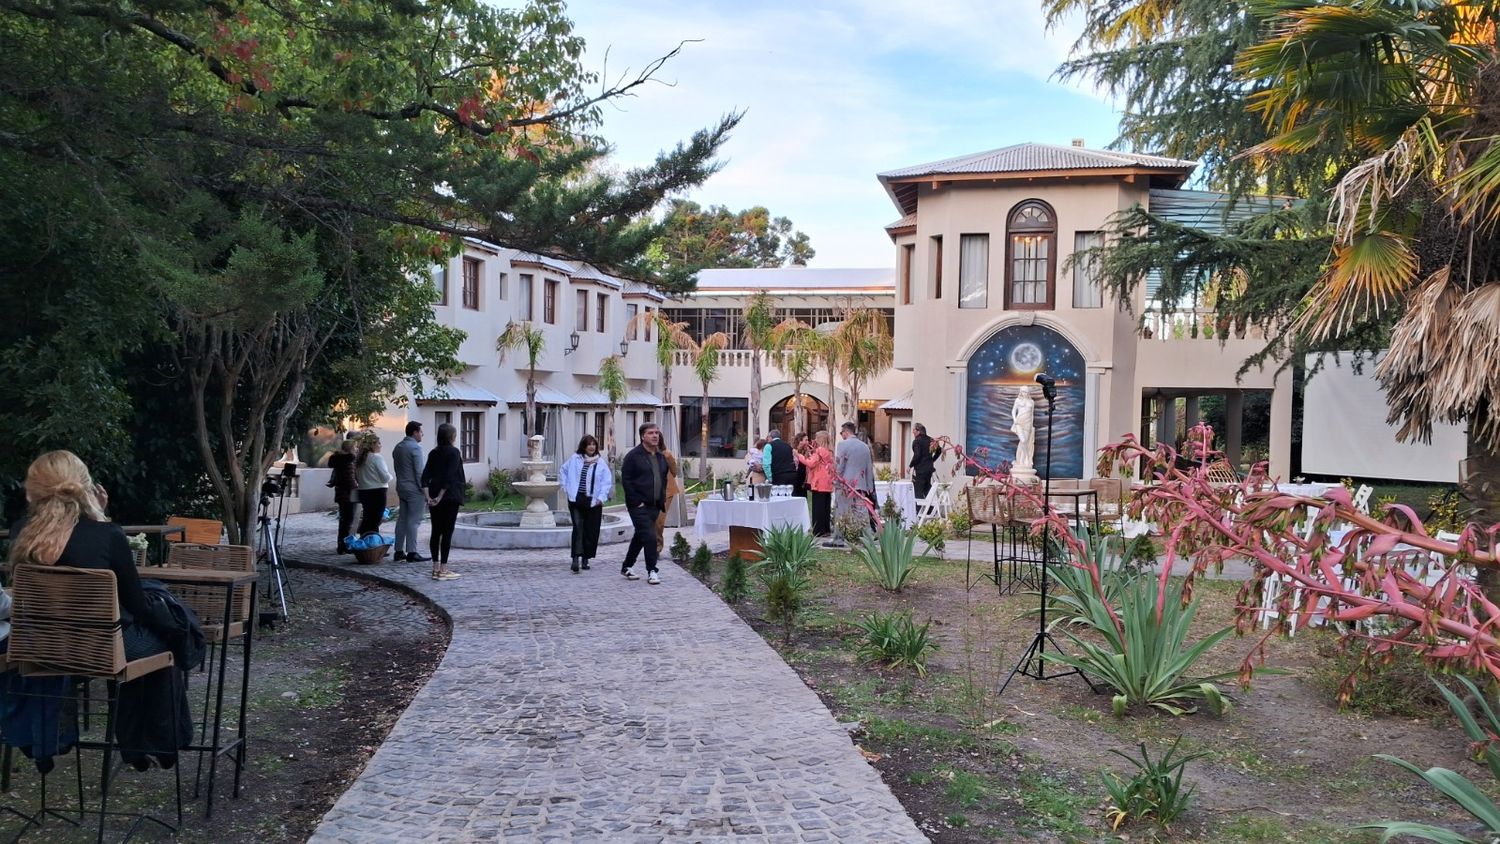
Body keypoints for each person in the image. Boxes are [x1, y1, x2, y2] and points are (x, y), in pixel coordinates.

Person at [8, 451, 193, 768]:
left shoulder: (20, 533)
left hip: (43, 649)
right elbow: (137, 605)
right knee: (166, 640)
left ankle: (64, 740)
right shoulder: (107, 535)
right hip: (100, 651)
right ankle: (154, 744)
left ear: (33, 489)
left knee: (140, 640)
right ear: (84, 487)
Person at [620, 422, 668, 585]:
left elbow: (663, 478)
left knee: (640, 536)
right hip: (638, 505)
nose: (655, 436)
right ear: (642, 436)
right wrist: (636, 502)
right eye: (651, 433)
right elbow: (626, 480)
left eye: (656, 433)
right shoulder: (633, 456)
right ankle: (652, 570)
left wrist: (661, 499)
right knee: (649, 536)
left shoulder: (661, 457)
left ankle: (627, 566)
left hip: (654, 505)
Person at [559, 434, 612, 574]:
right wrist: (565, 487)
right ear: (583, 446)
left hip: (593, 501)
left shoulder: (600, 463)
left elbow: (606, 482)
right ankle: (575, 558)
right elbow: (563, 471)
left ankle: (586, 558)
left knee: (591, 530)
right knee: (578, 527)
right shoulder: (575, 459)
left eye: (594, 444)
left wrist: (601, 497)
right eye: (589, 444)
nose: (592, 447)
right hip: (576, 500)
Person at [420, 423, 464, 580]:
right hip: (449, 497)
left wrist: (428, 497)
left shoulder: (433, 452)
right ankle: (444, 569)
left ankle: (435, 567)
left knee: (435, 531)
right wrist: (440, 496)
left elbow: (425, 476)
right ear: (452, 437)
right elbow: (450, 477)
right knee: (447, 532)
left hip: (433, 496)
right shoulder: (454, 452)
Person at [391, 421, 428, 563]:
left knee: (402, 519)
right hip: (414, 489)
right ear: (415, 432)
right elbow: (419, 472)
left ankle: (398, 550)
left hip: (401, 487)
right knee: (414, 521)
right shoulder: (415, 448)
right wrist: (424, 490)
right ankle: (412, 552)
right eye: (421, 432)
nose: (422, 434)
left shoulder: (398, 447)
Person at [834, 421, 876, 542]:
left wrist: (836, 481)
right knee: (861, 511)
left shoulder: (842, 445)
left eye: (842, 432)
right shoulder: (865, 446)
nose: (841, 435)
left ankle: (839, 538)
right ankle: (868, 537)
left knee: (841, 510)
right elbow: (869, 466)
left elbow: (840, 465)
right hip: (861, 484)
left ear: (846, 432)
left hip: (845, 484)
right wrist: (869, 485)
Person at [797, 430, 834, 536]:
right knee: (826, 507)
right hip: (827, 482)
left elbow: (810, 463)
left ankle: (818, 530)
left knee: (818, 507)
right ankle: (826, 529)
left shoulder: (819, 451)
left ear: (820, 439)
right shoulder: (829, 451)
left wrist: (799, 456)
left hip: (818, 482)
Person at [354, 433, 392, 537]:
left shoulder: (360, 459)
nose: (380, 445)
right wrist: (390, 477)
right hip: (377, 491)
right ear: (372, 445)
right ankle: (373, 546)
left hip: (363, 491)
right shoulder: (376, 458)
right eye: (378, 443)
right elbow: (385, 477)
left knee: (367, 517)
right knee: (375, 519)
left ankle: (365, 542)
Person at [326, 437, 358, 553]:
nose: (356, 449)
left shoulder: (338, 460)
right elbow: (350, 479)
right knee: (348, 521)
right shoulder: (349, 460)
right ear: (350, 448)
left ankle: (341, 544)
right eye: (355, 447)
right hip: (348, 495)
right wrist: (357, 487)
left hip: (340, 493)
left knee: (343, 521)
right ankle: (346, 545)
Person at [656, 448, 683, 553]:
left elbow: (674, 471)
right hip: (649, 491)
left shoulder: (666, 454)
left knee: (659, 520)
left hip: (666, 491)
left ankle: (657, 547)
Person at [908, 423, 940, 500]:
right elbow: (939, 450)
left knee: (918, 491)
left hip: (920, 470)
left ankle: (919, 510)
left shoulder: (917, 441)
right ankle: (930, 509)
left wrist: (910, 465)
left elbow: (917, 455)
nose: (913, 432)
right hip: (929, 469)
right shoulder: (931, 440)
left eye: (914, 430)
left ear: (919, 431)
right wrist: (932, 460)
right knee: (927, 489)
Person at [792, 432, 810, 497]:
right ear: (800, 441)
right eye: (806, 440)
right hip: (796, 478)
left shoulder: (806, 451)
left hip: (803, 478)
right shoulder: (794, 451)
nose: (808, 442)